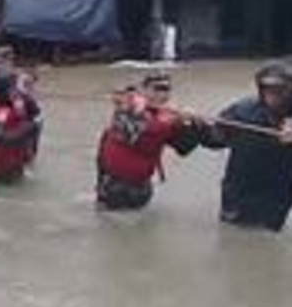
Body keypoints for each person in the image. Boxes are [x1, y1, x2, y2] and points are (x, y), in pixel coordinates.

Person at [196, 62, 292, 231]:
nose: (272, 96)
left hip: (278, 197)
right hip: (238, 193)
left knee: (267, 241)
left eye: (279, 90)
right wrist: (197, 125)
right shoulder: (242, 111)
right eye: (267, 89)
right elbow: (214, 140)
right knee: (233, 239)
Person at [95, 73, 199, 211]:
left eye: (166, 90)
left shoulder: (167, 116)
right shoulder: (126, 108)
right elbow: (134, 134)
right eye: (157, 88)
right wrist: (171, 120)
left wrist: (190, 124)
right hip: (114, 187)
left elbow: (184, 148)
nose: (162, 94)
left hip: (141, 187)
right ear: (143, 90)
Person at [0, 65, 41, 183]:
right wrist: (29, 127)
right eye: (11, 87)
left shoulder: (16, 101)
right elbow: (2, 137)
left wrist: (24, 96)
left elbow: (35, 112)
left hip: (15, 165)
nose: (14, 91)